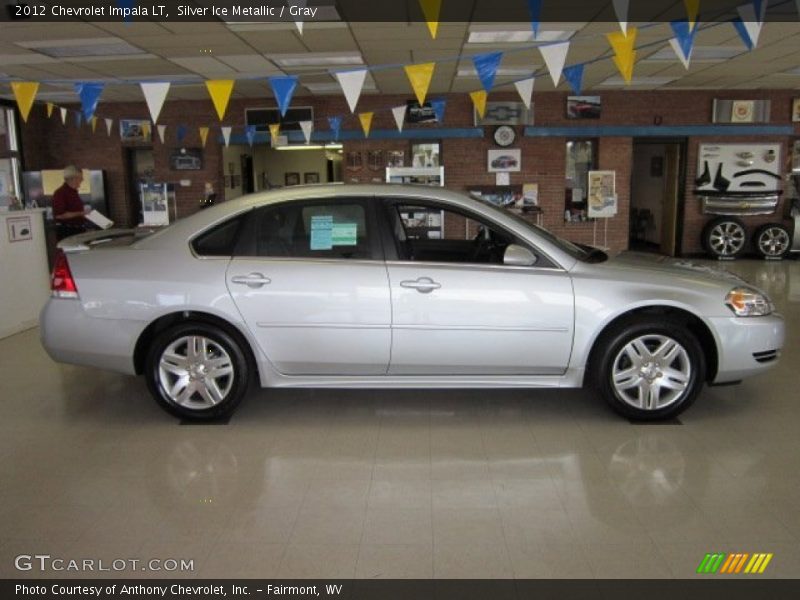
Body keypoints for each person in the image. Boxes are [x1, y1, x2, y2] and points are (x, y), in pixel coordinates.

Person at [52, 166, 92, 240]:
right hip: (68, 231)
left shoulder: (74, 192)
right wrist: (81, 213)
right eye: (80, 178)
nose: (82, 180)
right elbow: (59, 215)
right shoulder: (60, 193)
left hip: (78, 230)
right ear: (73, 179)